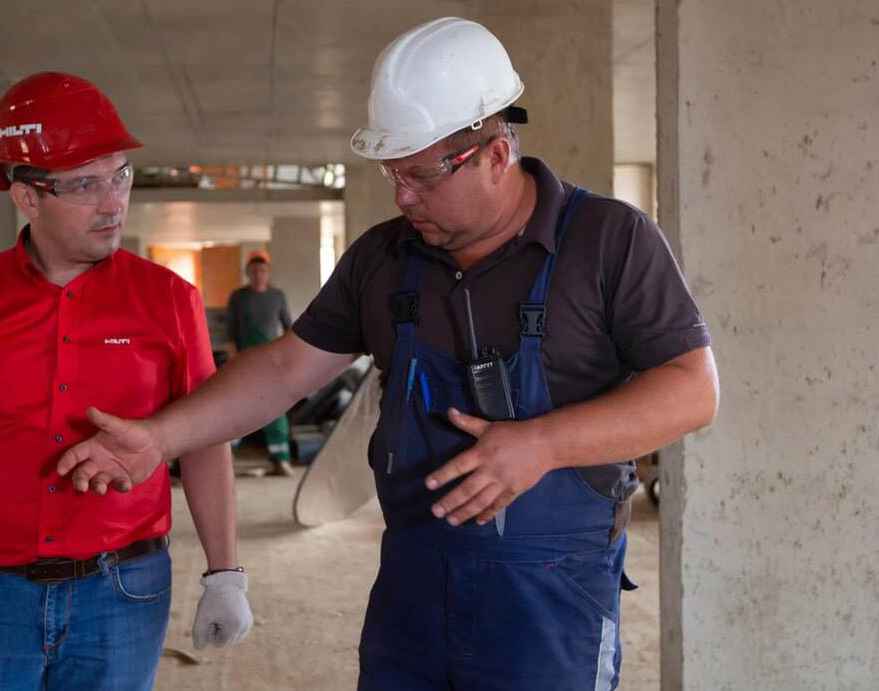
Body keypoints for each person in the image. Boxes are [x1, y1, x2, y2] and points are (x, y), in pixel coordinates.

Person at [58, 16, 719, 691]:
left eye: (422, 176)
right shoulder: (383, 257)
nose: (403, 196)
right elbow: (286, 369)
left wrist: (544, 443)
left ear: (495, 154)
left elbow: (694, 387)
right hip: (411, 591)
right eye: (393, 174)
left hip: (551, 600)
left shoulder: (609, 241)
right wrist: (158, 436)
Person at [0, 72, 252, 691]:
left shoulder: (170, 301)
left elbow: (203, 441)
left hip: (125, 592)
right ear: (26, 196)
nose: (113, 201)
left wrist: (225, 574)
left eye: (119, 175)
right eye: (85, 184)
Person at [225, 249, 295, 476]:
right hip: (245, 359)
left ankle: (280, 459)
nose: (258, 274)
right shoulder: (238, 297)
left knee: (275, 408)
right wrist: (233, 357)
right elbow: (231, 331)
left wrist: (289, 357)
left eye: (262, 270)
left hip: (271, 360)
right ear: (248, 272)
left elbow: (289, 328)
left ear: (268, 272)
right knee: (239, 407)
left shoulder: (277, 296)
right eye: (254, 271)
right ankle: (227, 458)